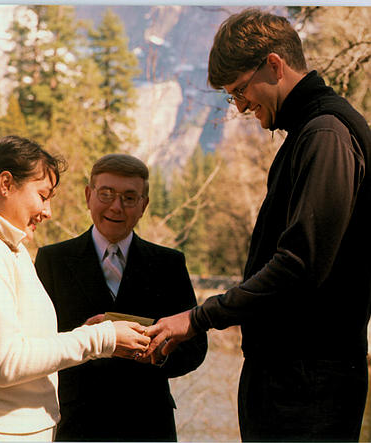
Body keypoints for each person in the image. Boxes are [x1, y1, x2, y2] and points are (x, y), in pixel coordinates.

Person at [145, 8, 371, 442]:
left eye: (240, 90)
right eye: (232, 96)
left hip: (307, 386)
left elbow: (298, 266)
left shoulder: (325, 135)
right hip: (295, 380)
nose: (240, 105)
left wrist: (199, 318)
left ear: (274, 64)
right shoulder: (309, 133)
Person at [0, 135, 150, 441]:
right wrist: (102, 338)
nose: (48, 212)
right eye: (42, 195)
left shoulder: (10, 249)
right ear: (6, 184)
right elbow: (5, 362)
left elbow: (26, 345)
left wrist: (86, 332)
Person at [34, 153, 208, 442]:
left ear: (143, 206)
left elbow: (195, 348)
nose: (116, 206)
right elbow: (36, 345)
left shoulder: (169, 264)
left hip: (150, 424)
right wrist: (86, 339)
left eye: (129, 198)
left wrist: (157, 353)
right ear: (88, 196)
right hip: (75, 422)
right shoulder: (52, 260)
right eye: (106, 194)